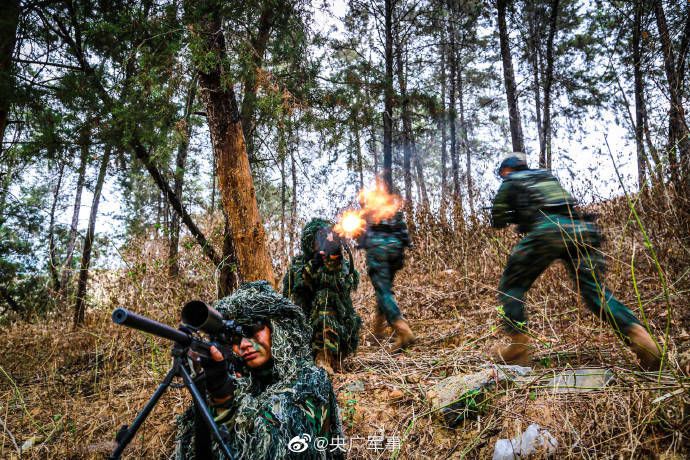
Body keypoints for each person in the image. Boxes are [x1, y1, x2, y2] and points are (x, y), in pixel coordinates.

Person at [490, 153, 661, 370]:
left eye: (502, 173)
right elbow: (559, 205)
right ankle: (642, 340)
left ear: (507, 170)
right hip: (581, 230)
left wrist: (514, 216)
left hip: (547, 232)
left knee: (511, 287)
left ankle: (517, 348)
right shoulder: (545, 176)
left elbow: (498, 219)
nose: (502, 176)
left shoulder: (511, 181)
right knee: (596, 293)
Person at [175, 281, 345, 459]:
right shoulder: (241, 382)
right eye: (235, 338)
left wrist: (223, 393)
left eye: (252, 330)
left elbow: (267, 445)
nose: (244, 344)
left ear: (276, 329)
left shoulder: (310, 382)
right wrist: (212, 383)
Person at [283, 218, 361, 375]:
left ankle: (333, 356)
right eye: (319, 239)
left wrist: (333, 259)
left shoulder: (341, 262)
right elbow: (299, 286)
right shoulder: (301, 263)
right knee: (323, 297)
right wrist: (315, 263)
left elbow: (347, 285)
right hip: (307, 328)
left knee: (328, 296)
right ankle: (322, 357)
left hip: (340, 329)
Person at [357, 208, 415, 352]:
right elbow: (404, 232)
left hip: (378, 250)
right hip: (396, 250)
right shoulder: (390, 208)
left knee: (383, 292)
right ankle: (377, 332)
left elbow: (359, 233)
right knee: (383, 290)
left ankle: (403, 330)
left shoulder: (368, 210)